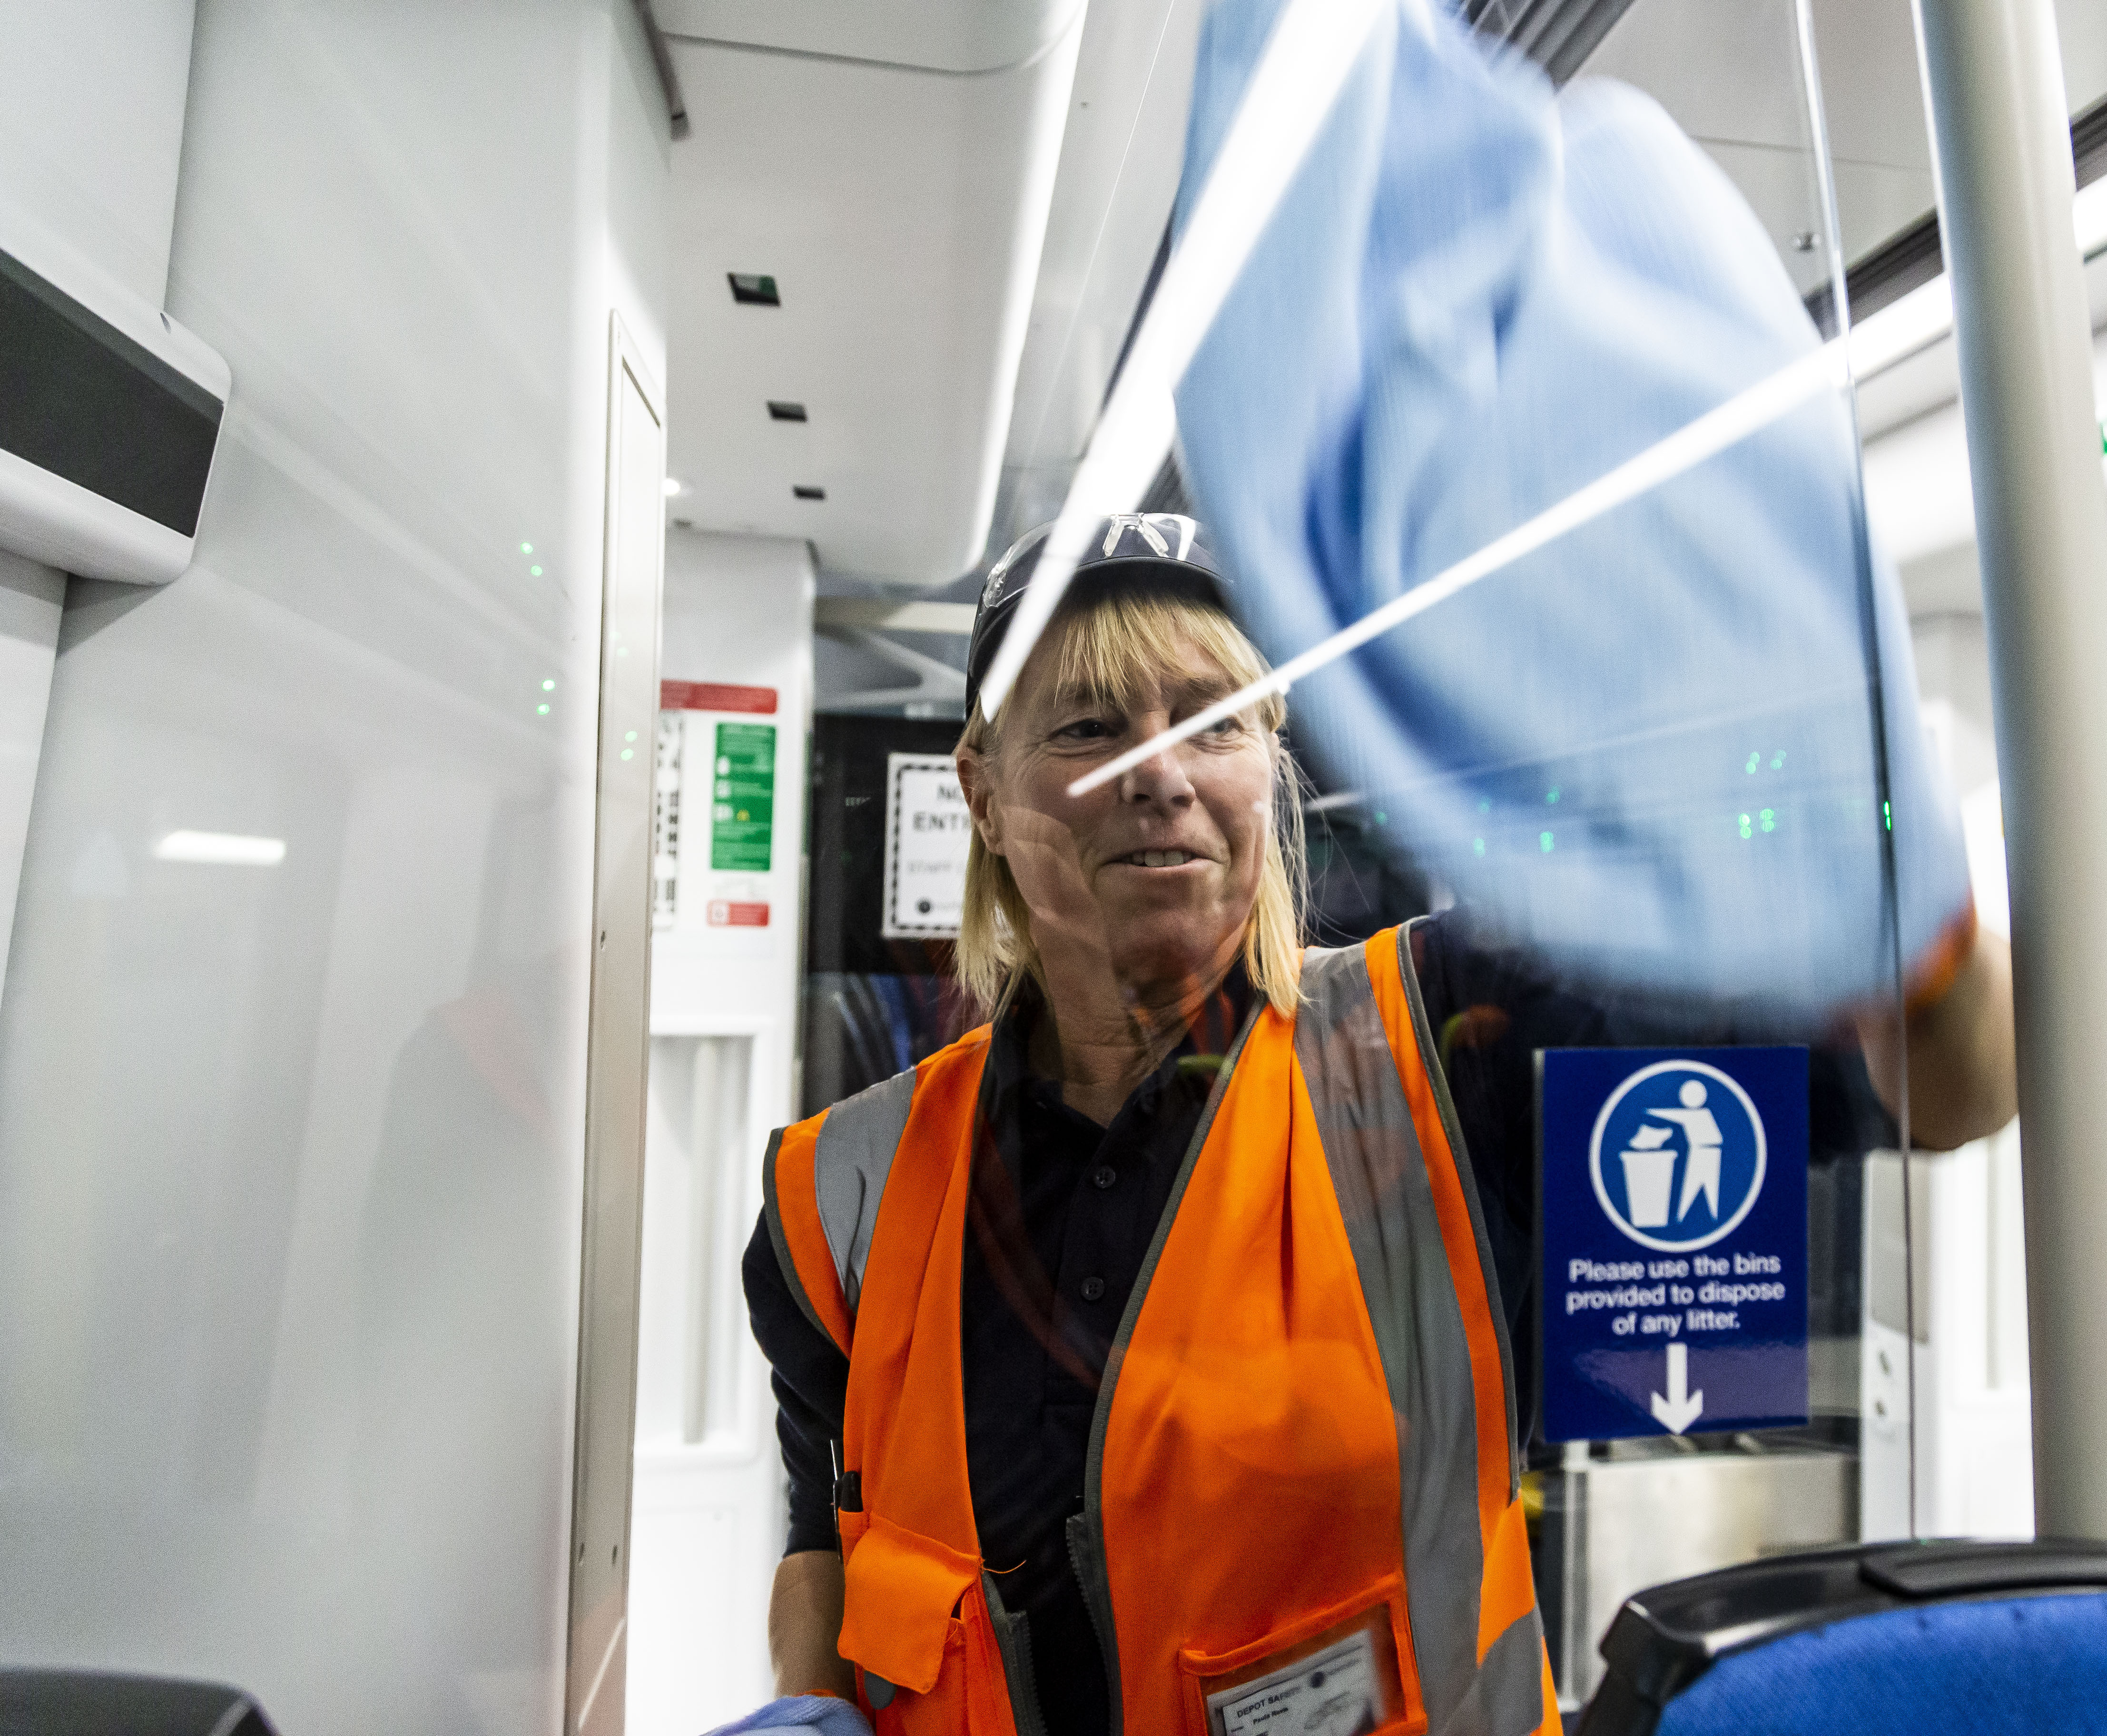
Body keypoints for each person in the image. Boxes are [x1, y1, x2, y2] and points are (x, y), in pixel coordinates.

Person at [742, 515, 2017, 1736]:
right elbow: (825, 1529)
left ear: (1272, 757)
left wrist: (1897, 845)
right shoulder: (837, 1197)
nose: (1164, 778)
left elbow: (1960, 1087)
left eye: (1213, 721)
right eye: (1089, 727)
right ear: (980, 787)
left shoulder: (1456, 1050)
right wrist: (807, 1706)